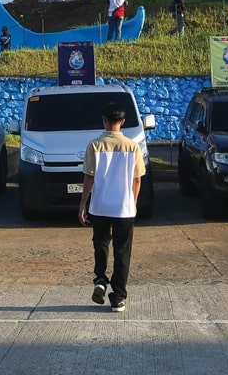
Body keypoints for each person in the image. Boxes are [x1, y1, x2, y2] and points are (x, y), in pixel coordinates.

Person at [78, 103, 145, 314]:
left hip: (100, 207)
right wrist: (132, 203)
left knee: (100, 244)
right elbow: (137, 181)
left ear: (104, 120)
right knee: (122, 252)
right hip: (124, 209)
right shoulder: (133, 147)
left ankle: (100, 278)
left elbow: (88, 177)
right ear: (123, 122)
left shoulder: (94, 145)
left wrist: (83, 204)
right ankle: (118, 299)